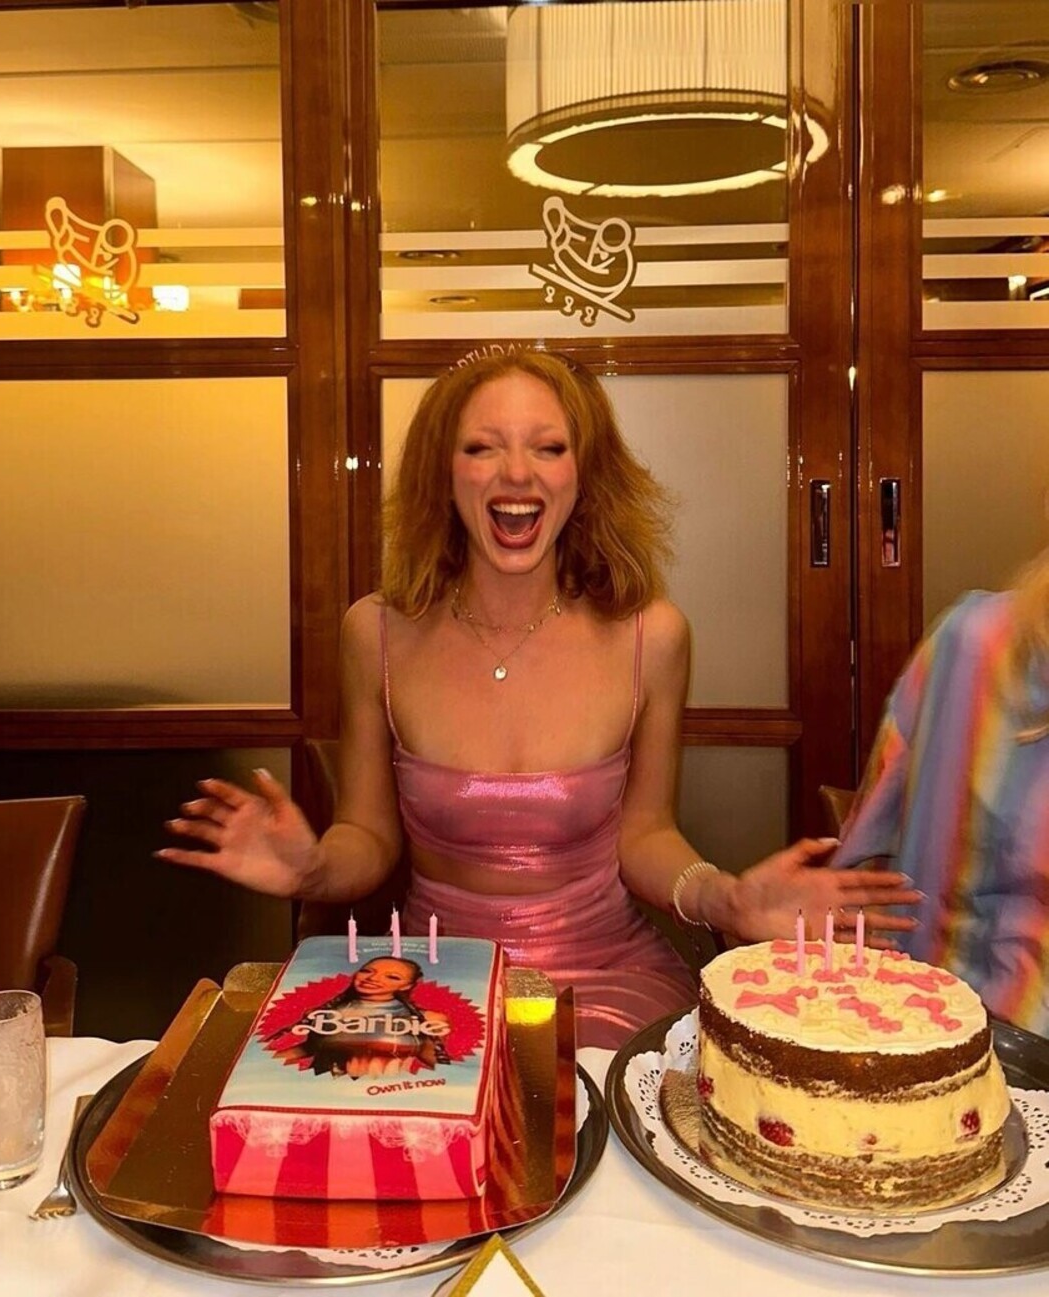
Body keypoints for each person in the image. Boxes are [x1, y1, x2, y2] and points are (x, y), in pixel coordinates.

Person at [158, 350, 919, 1047]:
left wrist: (727, 898)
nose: (517, 474)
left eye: (549, 447)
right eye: (482, 447)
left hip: (605, 978)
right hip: (432, 979)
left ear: (584, 473)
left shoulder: (652, 636)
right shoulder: (376, 632)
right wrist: (312, 871)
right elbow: (368, 836)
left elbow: (646, 835)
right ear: (442, 472)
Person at [833, 545, 1049, 1036]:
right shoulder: (969, 640)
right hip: (927, 1022)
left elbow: (865, 857)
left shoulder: (966, 634)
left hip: (906, 1014)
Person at [268, 955, 449, 1078]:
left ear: (407, 986)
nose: (373, 978)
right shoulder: (325, 1014)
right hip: (323, 1095)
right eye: (367, 971)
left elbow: (437, 1062)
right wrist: (260, 1065)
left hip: (392, 1097)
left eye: (392, 977)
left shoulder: (427, 1020)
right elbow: (308, 1049)